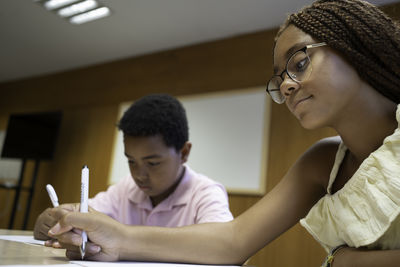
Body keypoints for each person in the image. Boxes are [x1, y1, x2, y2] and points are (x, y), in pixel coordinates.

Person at [47, 0, 400, 266]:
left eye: (300, 63)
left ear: (354, 45)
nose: (287, 86)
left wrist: (346, 260)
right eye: (279, 80)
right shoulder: (322, 162)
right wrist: (119, 239)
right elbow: (234, 240)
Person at [34, 94, 233, 245]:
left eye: (153, 163)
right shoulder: (126, 189)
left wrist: (124, 238)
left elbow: (226, 245)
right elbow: (87, 215)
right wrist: (61, 221)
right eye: (131, 161)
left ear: (183, 153)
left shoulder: (206, 193)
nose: (139, 175)